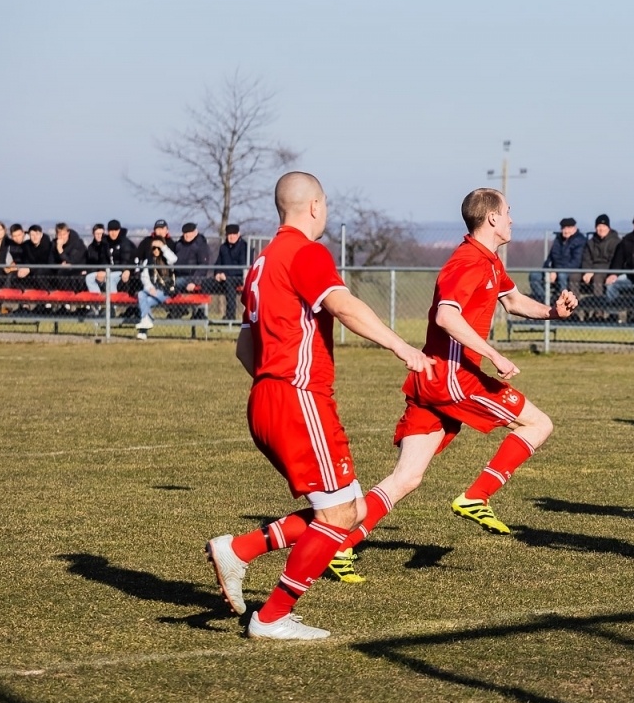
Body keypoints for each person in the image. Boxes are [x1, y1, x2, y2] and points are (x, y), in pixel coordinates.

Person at [203, 171, 435, 640]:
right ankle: (270, 618)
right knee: (338, 515)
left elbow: (244, 349)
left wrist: (273, 386)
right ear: (314, 207)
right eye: (325, 206)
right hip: (297, 397)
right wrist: (403, 348)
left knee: (347, 507)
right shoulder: (306, 252)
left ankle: (242, 549)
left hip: (268, 397)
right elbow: (345, 306)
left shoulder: (260, 264)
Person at [322, 188, 581, 581]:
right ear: (492, 218)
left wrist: (551, 312)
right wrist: (493, 354)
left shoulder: (489, 261)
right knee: (539, 424)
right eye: (508, 212)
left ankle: (341, 545)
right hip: (452, 379)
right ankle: (476, 496)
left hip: (432, 378)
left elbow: (512, 302)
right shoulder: (467, 262)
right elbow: (446, 316)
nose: (512, 218)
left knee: (407, 478)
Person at [132, 221, 178, 336]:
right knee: (141, 295)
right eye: (154, 248)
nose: (156, 250)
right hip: (152, 290)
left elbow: (173, 259)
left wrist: (163, 247)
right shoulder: (149, 261)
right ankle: (145, 323)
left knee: (144, 303)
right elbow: (144, 276)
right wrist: (149, 288)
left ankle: (144, 328)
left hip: (165, 290)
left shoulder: (167, 260)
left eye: (158, 248)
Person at [532, 217, 586, 303]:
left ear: (574, 228)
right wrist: (549, 270)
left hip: (569, 271)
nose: (566, 231)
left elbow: (576, 262)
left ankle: (563, 303)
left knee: (562, 275)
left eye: (568, 228)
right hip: (555, 270)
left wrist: (556, 271)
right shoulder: (558, 239)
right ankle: (543, 301)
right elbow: (550, 258)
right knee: (534, 276)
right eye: (563, 228)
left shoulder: (580, 240)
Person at [579, 214, 619, 298]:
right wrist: (587, 271)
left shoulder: (615, 242)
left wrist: (594, 271)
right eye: (599, 226)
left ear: (608, 227)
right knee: (574, 276)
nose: (601, 229)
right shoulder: (591, 242)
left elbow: (613, 261)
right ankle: (572, 306)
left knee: (598, 277)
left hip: (607, 271)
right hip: (592, 270)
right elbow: (586, 259)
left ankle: (598, 307)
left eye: (604, 226)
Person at [213, 224, 248, 317]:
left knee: (229, 284)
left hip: (240, 277)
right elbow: (218, 263)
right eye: (229, 234)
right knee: (205, 283)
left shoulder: (244, 246)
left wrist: (226, 275)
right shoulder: (223, 247)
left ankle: (230, 316)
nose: (231, 236)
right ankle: (199, 313)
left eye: (234, 234)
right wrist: (217, 274)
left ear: (238, 234)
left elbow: (243, 267)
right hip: (224, 277)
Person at [24, 224, 58, 289]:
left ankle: (50, 293)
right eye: (32, 235)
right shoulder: (26, 246)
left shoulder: (48, 245)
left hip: (49, 270)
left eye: (37, 234)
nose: (35, 237)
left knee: (38, 274)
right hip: (32, 270)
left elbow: (44, 262)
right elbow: (26, 260)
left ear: (41, 234)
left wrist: (30, 269)